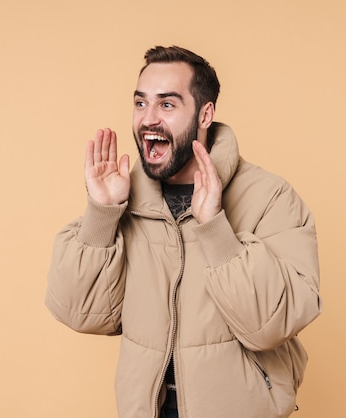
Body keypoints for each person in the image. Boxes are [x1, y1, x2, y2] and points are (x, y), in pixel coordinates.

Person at [46, 45, 322, 418]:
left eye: (167, 105)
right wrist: (102, 214)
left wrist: (215, 229)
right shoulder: (123, 199)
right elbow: (80, 314)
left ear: (205, 113)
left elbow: (271, 326)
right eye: (141, 103)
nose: (149, 119)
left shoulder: (270, 198)